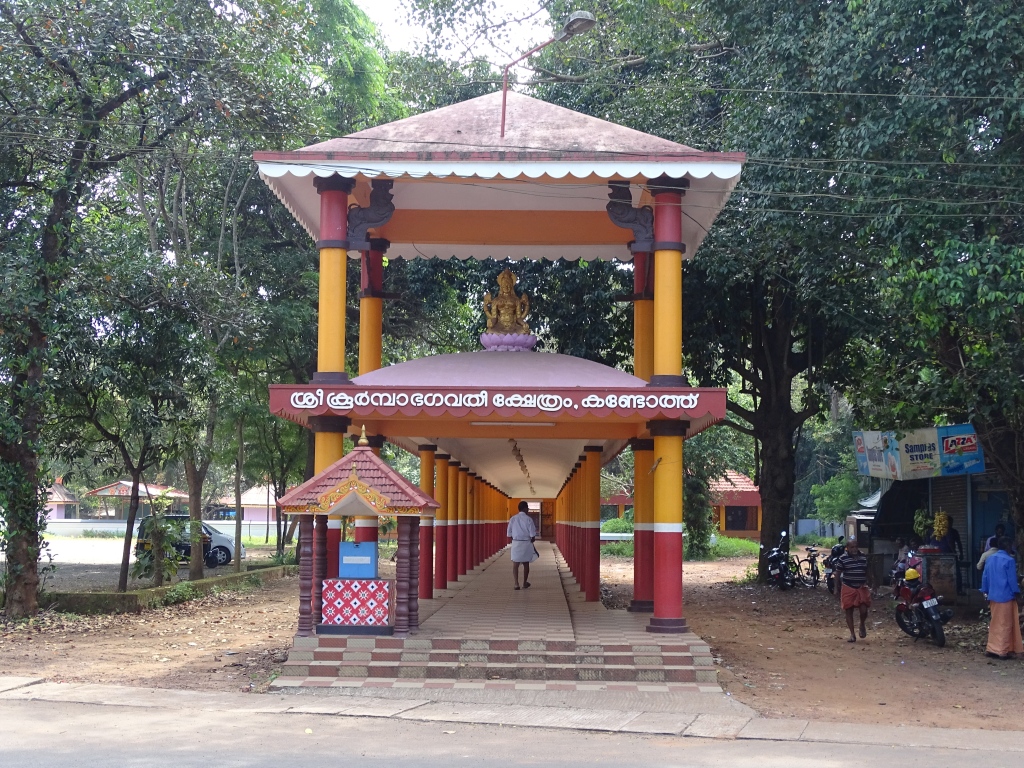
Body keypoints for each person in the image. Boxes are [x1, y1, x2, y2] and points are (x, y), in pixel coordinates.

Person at [981, 537, 1023, 660]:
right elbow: (1012, 581)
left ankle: (991, 648)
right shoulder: (1009, 560)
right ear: (1008, 546)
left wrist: (985, 592)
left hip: (993, 595)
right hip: (1005, 596)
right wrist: (1017, 594)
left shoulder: (990, 559)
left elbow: (985, 577)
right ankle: (1002, 650)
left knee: (995, 623)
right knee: (1006, 624)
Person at [836, 537, 872, 642]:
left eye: (856, 546)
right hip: (848, 587)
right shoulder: (843, 558)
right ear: (847, 548)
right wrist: (836, 588)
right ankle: (852, 634)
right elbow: (838, 573)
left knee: (864, 610)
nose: (854, 549)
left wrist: (871, 581)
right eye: (852, 547)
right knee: (849, 610)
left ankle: (862, 624)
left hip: (861, 587)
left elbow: (867, 570)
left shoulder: (863, 557)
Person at [507, 500, 539, 590]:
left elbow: (509, 533)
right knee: (526, 563)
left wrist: (514, 539)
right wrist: (532, 539)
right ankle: (524, 582)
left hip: (516, 543)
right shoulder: (529, 519)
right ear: (525, 509)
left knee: (515, 564)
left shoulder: (513, 518)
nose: (528, 510)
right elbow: (532, 533)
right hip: (526, 543)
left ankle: (516, 583)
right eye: (527, 508)